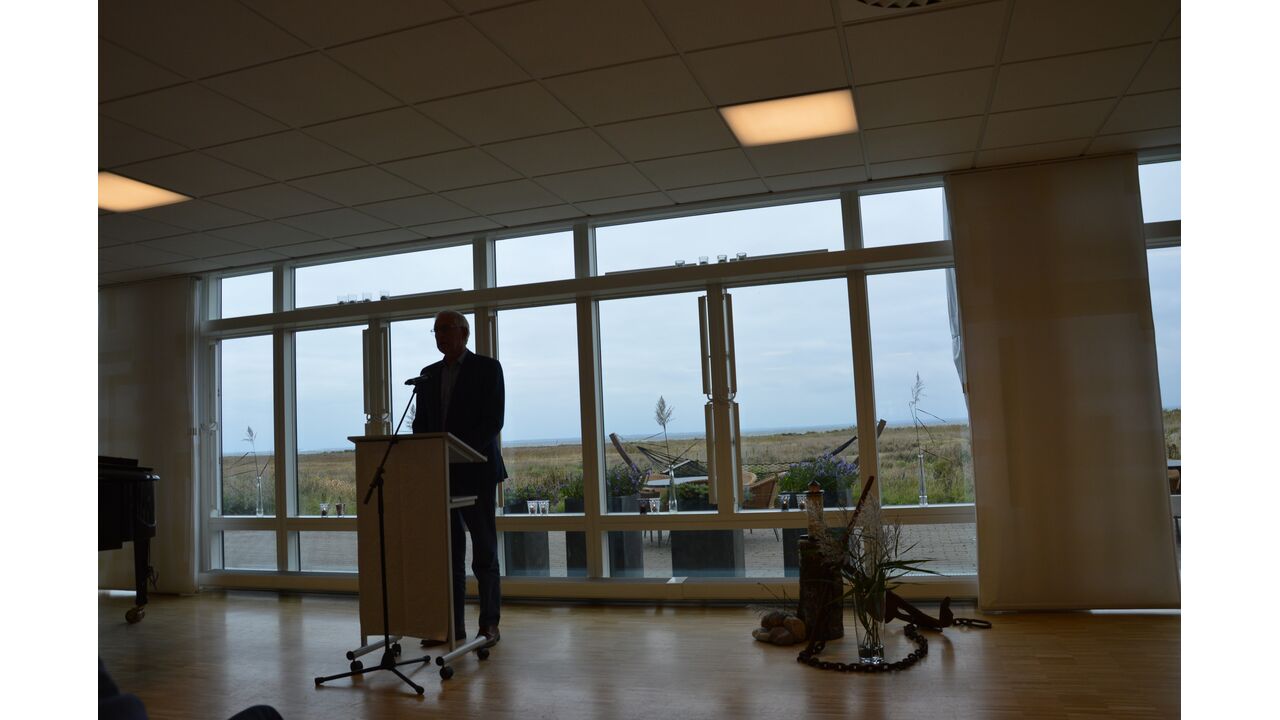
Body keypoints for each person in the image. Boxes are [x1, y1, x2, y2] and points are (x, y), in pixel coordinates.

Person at [412, 310, 506, 646]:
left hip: (477, 472)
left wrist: (461, 450)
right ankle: (452, 627)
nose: (440, 336)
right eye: (436, 330)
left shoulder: (488, 368)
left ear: (464, 333)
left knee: (484, 553)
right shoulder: (428, 374)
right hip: (442, 475)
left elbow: (493, 420)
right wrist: (429, 453)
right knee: (450, 555)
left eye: (446, 329)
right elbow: (420, 424)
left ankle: (489, 625)